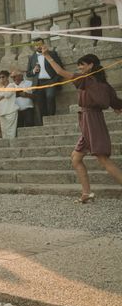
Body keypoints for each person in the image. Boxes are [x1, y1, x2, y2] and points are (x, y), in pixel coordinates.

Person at [40, 47, 122, 203]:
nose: (79, 68)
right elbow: (116, 104)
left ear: (91, 65)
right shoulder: (103, 84)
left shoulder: (88, 79)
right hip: (87, 120)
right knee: (76, 158)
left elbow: (61, 73)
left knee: (103, 159)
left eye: (82, 65)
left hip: (92, 120)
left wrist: (47, 56)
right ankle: (86, 193)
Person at [27, 37, 63, 125]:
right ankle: (44, 122)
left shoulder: (52, 54)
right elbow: (28, 73)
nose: (38, 46)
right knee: (40, 103)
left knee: (50, 97)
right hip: (38, 84)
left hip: (50, 81)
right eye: (36, 45)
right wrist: (33, 71)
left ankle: (51, 118)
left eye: (40, 44)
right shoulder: (32, 57)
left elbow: (60, 67)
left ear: (44, 44)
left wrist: (55, 80)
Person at [0, 70, 19, 139]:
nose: (1, 79)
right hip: (2, 112)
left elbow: (8, 94)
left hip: (11, 111)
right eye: (0, 77)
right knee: (4, 132)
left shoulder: (12, 85)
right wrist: (2, 96)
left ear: (7, 77)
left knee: (11, 132)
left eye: (3, 77)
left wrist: (1, 96)